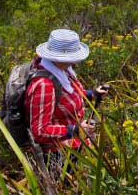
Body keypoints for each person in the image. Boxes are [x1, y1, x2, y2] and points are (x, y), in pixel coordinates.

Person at [24, 29, 108, 174]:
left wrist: (92, 94)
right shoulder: (44, 85)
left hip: (74, 146)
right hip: (58, 157)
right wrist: (75, 130)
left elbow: (68, 94)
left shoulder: (62, 70)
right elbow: (39, 131)